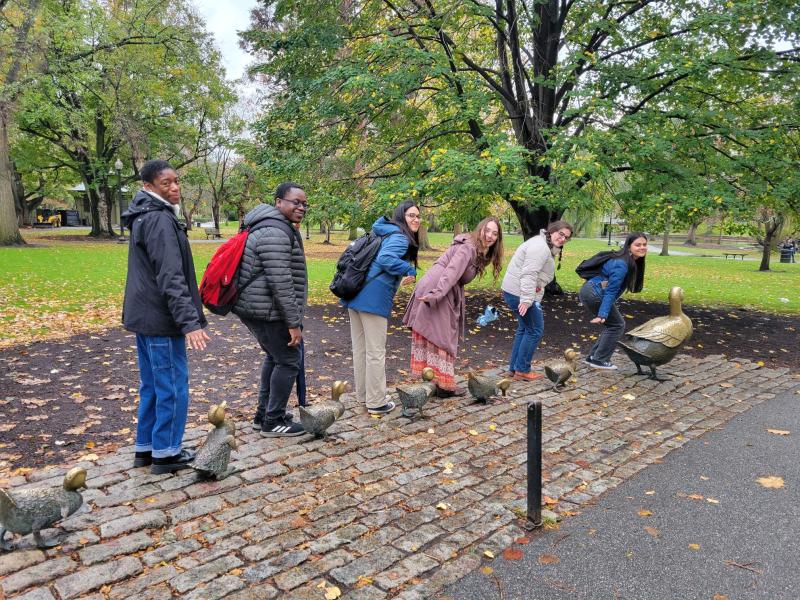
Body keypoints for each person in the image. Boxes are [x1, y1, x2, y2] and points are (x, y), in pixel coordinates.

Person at [122, 159, 210, 474]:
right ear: (149, 186)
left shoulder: (147, 215)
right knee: (171, 386)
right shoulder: (158, 219)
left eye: (176, 181)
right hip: (161, 319)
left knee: (153, 386)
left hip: (147, 317)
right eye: (166, 183)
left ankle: (146, 449)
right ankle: (166, 454)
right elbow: (171, 276)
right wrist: (190, 324)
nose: (174, 188)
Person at [233, 182, 308, 436]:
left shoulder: (270, 225)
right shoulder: (275, 232)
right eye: (295, 202)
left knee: (275, 357)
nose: (301, 207)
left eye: (304, 203)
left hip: (259, 306)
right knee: (288, 361)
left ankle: (263, 414)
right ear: (278, 202)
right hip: (267, 308)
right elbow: (281, 281)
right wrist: (293, 322)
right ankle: (272, 420)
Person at [404, 217, 504, 397]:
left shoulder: (478, 249)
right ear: (480, 229)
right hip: (439, 286)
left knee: (440, 334)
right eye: (487, 230)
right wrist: (436, 294)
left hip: (443, 288)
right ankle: (443, 385)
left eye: (494, 233)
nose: (490, 235)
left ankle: (437, 383)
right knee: (442, 336)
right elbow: (451, 272)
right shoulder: (468, 247)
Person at [342, 201, 419, 414]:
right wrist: (408, 269)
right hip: (372, 301)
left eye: (417, 216)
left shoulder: (383, 232)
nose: (415, 220)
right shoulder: (400, 238)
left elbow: (379, 262)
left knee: (361, 350)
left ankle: (364, 396)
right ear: (401, 217)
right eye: (411, 215)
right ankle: (376, 402)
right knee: (375, 352)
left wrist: (398, 278)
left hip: (356, 296)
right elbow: (386, 259)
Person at [501, 221, 573, 381]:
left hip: (515, 291)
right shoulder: (540, 247)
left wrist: (537, 286)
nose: (562, 239)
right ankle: (522, 370)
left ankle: (514, 369)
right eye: (560, 234)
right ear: (552, 231)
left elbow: (536, 274)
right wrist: (527, 300)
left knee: (525, 328)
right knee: (534, 330)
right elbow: (529, 273)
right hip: (521, 294)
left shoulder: (543, 245)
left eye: (566, 237)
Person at [579, 232, 648, 370]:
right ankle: (599, 359)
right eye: (638, 245)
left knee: (612, 325)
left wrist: (605, 311)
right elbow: (611, 290)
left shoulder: (628, 261)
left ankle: (593, 357)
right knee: (617, 325)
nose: (642, 247)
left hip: (592, 291)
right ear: (629, 247)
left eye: (644, 245)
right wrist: (602, 314)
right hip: (594, 293)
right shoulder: (621, 264)